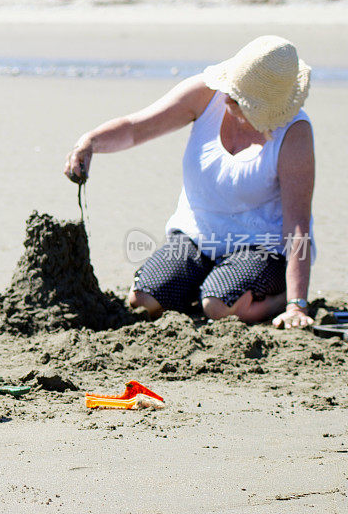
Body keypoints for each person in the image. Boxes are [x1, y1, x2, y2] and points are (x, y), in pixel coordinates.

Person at [64, 35, 315, 330]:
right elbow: (137, 127)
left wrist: (296, 304)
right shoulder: (206, 94)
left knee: (217, 307)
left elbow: (297, 224)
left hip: (260, 246)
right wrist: (89, 143)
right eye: (230, 88)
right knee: (144, 300)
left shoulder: (294, 133)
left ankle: (276, 296)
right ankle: (207, 284)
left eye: (238, 98)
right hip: (196, 239)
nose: (226, 98)